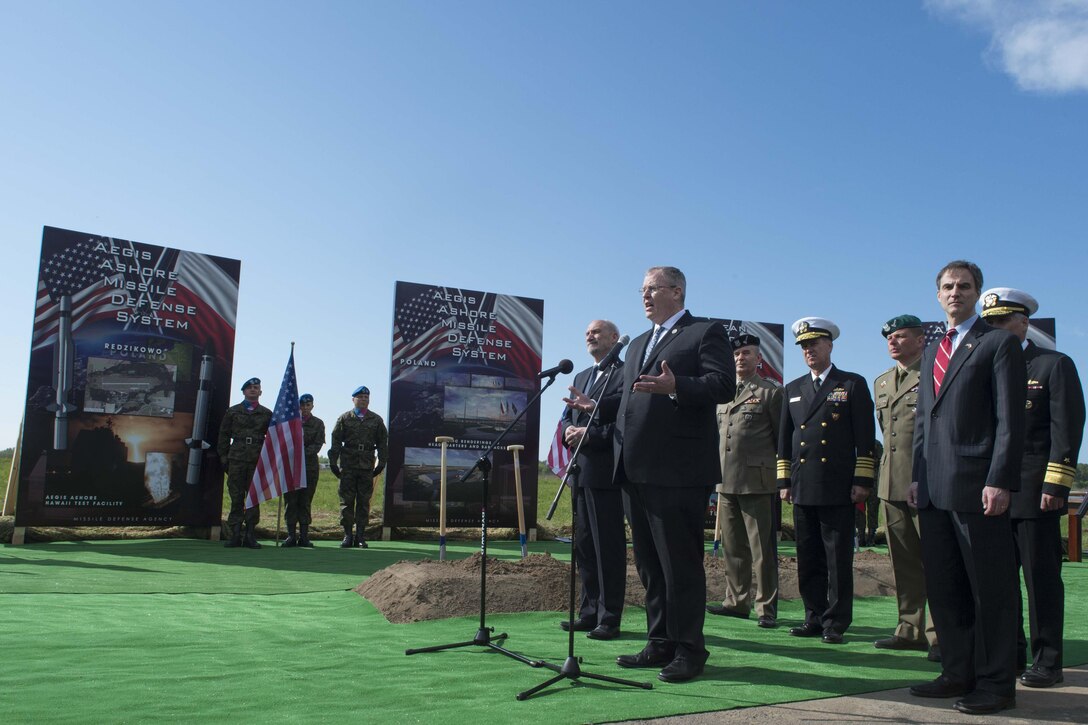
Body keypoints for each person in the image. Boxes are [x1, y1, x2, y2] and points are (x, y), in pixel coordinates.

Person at [564, 266, 732, 683]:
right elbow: (627, 400)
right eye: (641, 290)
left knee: (680, 564)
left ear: (676, 291)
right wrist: (594, 408)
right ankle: (659, 642)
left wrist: (676, 386)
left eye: (652, 288)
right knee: (650, 565)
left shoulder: (704, 332)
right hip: (633, 469)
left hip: (678, 469)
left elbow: (722, 386)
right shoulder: (637, 343)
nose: (644, 296)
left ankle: (690, 649)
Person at [908, 260, 1026, 716]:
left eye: (964, 286)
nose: (955, 292)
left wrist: (1000, 479)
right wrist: (917, 476)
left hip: (979, 488)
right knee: (946, 587)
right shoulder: (934, 347)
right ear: (937, 294)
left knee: (991, 590)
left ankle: (997, 683)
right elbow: (923, 421)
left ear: (976, 293)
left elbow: (1008, 420)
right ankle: (957, 672)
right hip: (934, 489)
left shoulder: (998, 343)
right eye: (947, 286)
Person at [981, 287, 1084, 689]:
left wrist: (1056, 484)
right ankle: (1011, 653)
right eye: (990, 323)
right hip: (990, 493)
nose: (997, 329)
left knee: (1040, 581)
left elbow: (1066, 430)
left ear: (1024, 323)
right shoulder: (983, 365)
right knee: (1000, 583)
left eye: (1004, 321)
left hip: (1034, 492)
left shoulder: (1051, 365)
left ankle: (1048, 661)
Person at [777, 317, 875, 645]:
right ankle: (813, 616)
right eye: (804, 346)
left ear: (829, 345)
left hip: (837, 486)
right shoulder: (792, 389)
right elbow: (784, 439)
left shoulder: (851, 384)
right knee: (808, 556)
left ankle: (835, 621)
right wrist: (784, 480)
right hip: (803, 486)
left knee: (837, 559)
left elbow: (865, 437)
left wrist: (862, 479)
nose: (809, 350)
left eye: (814, 344)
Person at [872, 315, 938, 659]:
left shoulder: (934, 374)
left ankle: (939, 634)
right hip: (890, 483)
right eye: (889, 338)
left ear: (919, 340)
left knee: (935, 560)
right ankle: (909, 628)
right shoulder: (882, 382)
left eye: (900, 337)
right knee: (904, 561)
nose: (893, 343)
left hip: (925, 482)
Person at [705, 333, 782, 629]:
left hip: (757, 481)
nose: (741, 358)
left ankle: (766, 608)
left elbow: (780, 439)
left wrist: (781, 476)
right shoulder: (723, 393)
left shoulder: (770, 393)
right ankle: (736, 602)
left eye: (747, 353)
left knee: (762, 549)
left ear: (759, 358)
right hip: (725, 481)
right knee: (733, 547)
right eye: (737, 354)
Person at [560, 319, 627, 640]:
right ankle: (588, 612)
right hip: (579, 472)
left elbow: (627, 424)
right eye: (586, 331)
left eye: (597, 331)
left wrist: (591, 434)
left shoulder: (627, 374)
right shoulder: (582, 377)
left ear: (615, 338)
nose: (589, 335)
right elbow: (567, 419)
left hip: (607, 474)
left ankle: (609, 616)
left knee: (607, 548)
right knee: (584, 547)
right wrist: (569, 434)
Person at [328, 386, 388, 549]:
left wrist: (382, 462)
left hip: (366, 466)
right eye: (360, 397)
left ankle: (360, 536)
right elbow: (335, 441)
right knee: (346, 502)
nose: (363, 400)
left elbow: (383, 443)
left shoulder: (376, 420)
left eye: (366, 397)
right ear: (353, 399)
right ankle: (348, 535)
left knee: (363, 502)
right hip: (348, 465)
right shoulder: (344, 418)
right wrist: (333, 462)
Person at [217, 377, 273, 549]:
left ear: (261, 392)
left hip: (257, 459)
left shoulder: (267, 414)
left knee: (253, 498)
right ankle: (235, 534)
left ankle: (249, 534)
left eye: (256, 387)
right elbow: (224, 436)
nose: (253, 390)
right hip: (237, 458)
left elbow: (272, 439)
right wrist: (224, 458)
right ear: (243, 391)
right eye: (250, 388)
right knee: (236, 497)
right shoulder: (233, 411)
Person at [283, 393, 325, 548]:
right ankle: (291, 536)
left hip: (309, 467)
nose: (305, 408)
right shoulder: (289, 424)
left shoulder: (318, 423)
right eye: (302, 405)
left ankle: (304, 536)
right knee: (291, 501)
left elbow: (318, 444)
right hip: (291, 467)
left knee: (305, 501)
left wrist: (301, 453)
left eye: (308, 405)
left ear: (312, 406)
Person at [854, 440, 882, 546]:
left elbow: (880, 461)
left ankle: (871, 537)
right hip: (859, 482)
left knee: (873, 511)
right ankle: (861, 537)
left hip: (873, 483)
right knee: (859, 511)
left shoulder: (876, 444)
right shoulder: (856, 445)